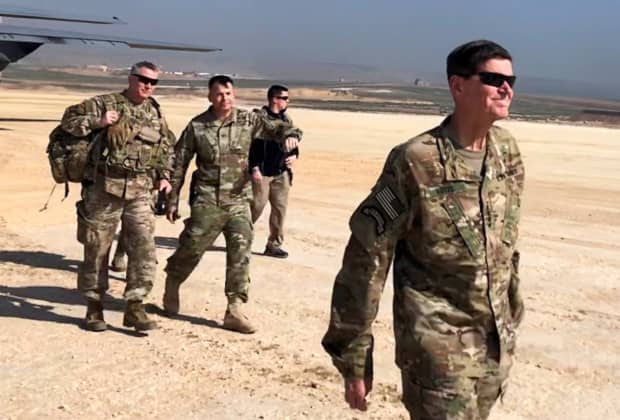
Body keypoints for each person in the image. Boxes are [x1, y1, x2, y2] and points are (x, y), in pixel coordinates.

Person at [322, 40, 525, 419]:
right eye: (494, 78)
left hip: (495, 346)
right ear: (458, 86)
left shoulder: (506, 153)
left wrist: (512, 315)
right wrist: (353, 355)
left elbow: (505, 249)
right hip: (437, 350)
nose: (507, 89)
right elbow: (367, 260)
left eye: (511, 80)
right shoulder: (415, 160)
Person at [163, 75, 302, 334]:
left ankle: (235, 308)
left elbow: (277, 127)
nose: (224, 99)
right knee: (192, 248)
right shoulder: (197, 126)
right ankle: (173, 280)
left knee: (240, 252)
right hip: (207, 200)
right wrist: (173, 200)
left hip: (239, 200)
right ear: (209, 97)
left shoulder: (248, 120)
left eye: (228, 93)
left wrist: (292, 135)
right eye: (218, 94)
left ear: (233, 94)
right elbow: (179, 163)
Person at [61, 61, 175, 332]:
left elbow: (165, 146)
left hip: (140, 192)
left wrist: (165, 176)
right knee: (97, 249)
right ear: (131, 79)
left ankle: (135, 307)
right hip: (104, 189)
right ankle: (94, 307)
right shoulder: (105, 103)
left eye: (153, 82)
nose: (148, 85)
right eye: (143, 79)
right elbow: (69, 121)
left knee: (144, 249)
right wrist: (98, 122)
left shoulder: (155, 113)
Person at [249, 84, 299, 258]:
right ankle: (240, 237)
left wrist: (294, 156)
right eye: (284, 98)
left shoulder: (287, 120)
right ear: (274, 99)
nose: (287, 101)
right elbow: (251, 146)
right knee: (256, 207)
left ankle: (274, 244)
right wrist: (253, 167)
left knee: (280, 210)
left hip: (281, 172)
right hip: (262, 172)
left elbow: (291, 142)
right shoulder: (258, 118)